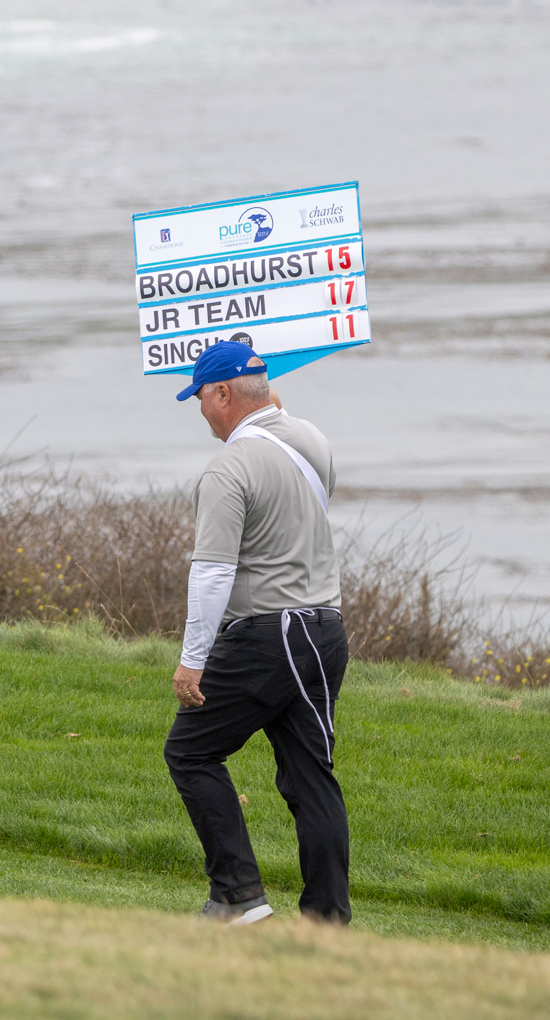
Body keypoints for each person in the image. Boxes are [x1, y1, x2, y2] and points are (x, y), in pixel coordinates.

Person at [163, 340, 350, 925]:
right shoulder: (312, 440)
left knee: (190, 751)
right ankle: (326, 924)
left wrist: (193, 659)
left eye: (199, 395)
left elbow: (214, 570)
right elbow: (284, 443)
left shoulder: (229, 467)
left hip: (269, 637)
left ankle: (238, 896)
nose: (198, 409)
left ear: (223, 393)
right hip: (326, 633)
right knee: (309, 776)